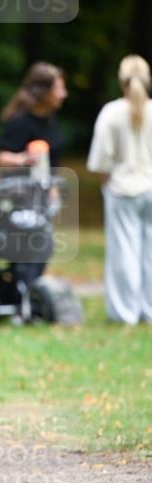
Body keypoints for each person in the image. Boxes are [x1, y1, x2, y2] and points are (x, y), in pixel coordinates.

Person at [87, 54, 152, 325]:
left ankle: (125, 312)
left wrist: (109, 181)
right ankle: (148, 309)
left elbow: (101, 161)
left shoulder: (111, 113)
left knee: (124, 251)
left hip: (122, 189)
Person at [0, 62, 68, 285]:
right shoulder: (20, 122)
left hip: (43, 197)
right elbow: (1, 158)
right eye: (59, 89)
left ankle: (31, 293)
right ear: (43, 92)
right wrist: (23, 159)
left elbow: (53, 161)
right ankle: (21, 293)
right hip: (19, 197)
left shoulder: (50, 121)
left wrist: (53, 189)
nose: (64, 94)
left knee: (43, 246)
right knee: (28, 246)